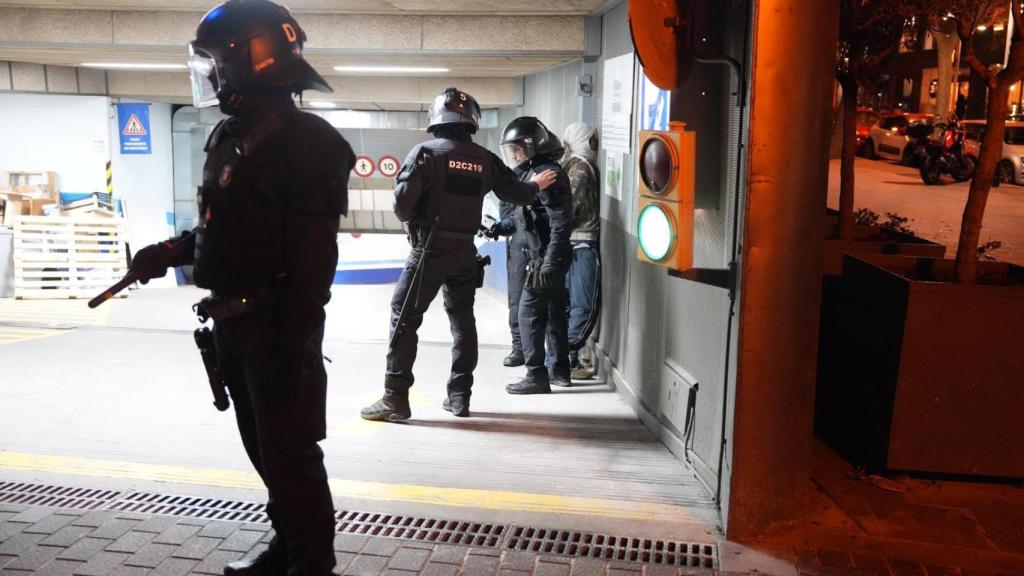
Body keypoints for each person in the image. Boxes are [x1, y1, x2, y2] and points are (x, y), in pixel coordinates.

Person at [126, 2, 354, 574]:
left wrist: (291, 345)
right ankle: (288, 548)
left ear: (248, 58)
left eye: (215, 59)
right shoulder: (234, 133)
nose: (210, 72)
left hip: (276, 323)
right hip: (234, 322)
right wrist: (174, 252)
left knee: (292, 454)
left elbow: (313, 259)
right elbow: (229, 223)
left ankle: (313, 565)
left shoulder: (308, 142)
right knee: (265, 451)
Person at [360, 88, 557, 422]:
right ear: (472, 121)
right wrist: (537, 184)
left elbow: (402, 208)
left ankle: (395, 398)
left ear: (437, 119)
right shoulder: (484, 159)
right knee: (463, 324)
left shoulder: (424, 153)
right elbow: (519, 193)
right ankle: (459, 397)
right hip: (465, 252)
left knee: (403, 318)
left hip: (428, 251)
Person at [501, 117, 574, 395]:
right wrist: (500, 227)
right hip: (546, 254)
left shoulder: (546, 175)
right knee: (554, 313)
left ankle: (536, 376)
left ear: (531, 146)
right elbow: (531, 215)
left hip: (544, 255)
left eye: (517, 149)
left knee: (528, 312)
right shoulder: (536, 173)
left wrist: (549, 261)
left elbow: (560, 222)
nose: (515, 155)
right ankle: (561, 372)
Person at [560, 122, 601, 380]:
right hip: (581, 244)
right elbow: (569, 206)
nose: (596, 145)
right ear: (585, 141)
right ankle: (565, 356)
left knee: (569, 304)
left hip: (568, 245)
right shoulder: (580, 168)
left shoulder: (566, 165)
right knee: (585, 305)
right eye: (593, 140)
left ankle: (568, 360)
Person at [487, 197, 529, 368]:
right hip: (518, 246)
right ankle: (519, 348)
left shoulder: (548, 174)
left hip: (543, 242)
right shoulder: (516, 176)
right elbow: (507, 213)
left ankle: (554, 355)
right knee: (516, 299)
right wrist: (502, 227)